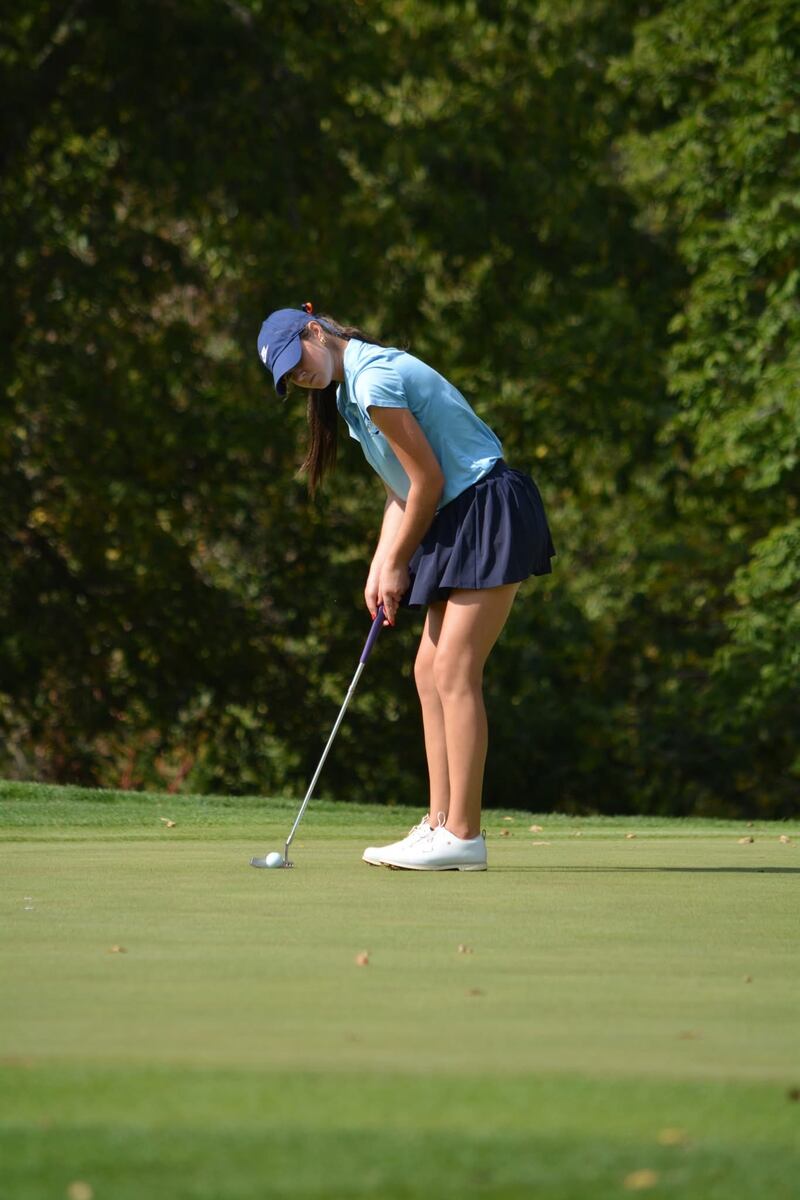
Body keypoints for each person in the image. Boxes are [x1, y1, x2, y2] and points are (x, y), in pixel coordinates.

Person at [256, 303, 555, 871]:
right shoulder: (348, 394)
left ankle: (464, 834)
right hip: (456, 516)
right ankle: (439, 824)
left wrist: (399, 562)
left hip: (486, 508)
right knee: (427, 671)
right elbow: (401, 487)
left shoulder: (374, 378)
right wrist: (380, 562)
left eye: (300, 362)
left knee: (454, 670)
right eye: (292, 378)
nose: (303, 378)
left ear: (315, 331)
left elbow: (429, 479)